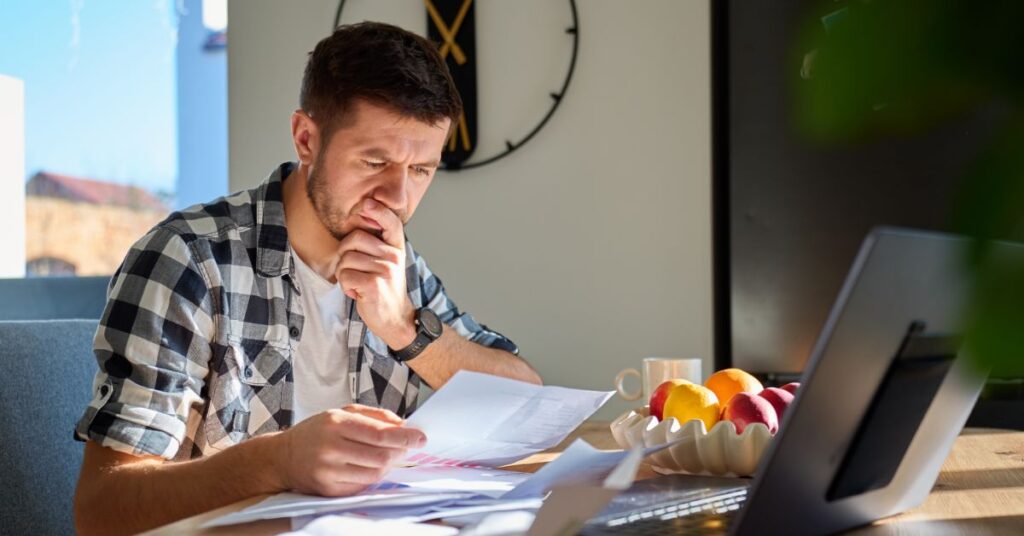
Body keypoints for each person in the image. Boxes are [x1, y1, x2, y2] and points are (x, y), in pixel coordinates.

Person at [73, 22, 541, 535]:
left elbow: (526, 398)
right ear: (306, 139)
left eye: (421, 171)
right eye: (374, 161)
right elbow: (102, 511)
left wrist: (405, 328)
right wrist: (277, 462)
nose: (398, 199)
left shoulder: (395, 267)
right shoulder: (188, 259)